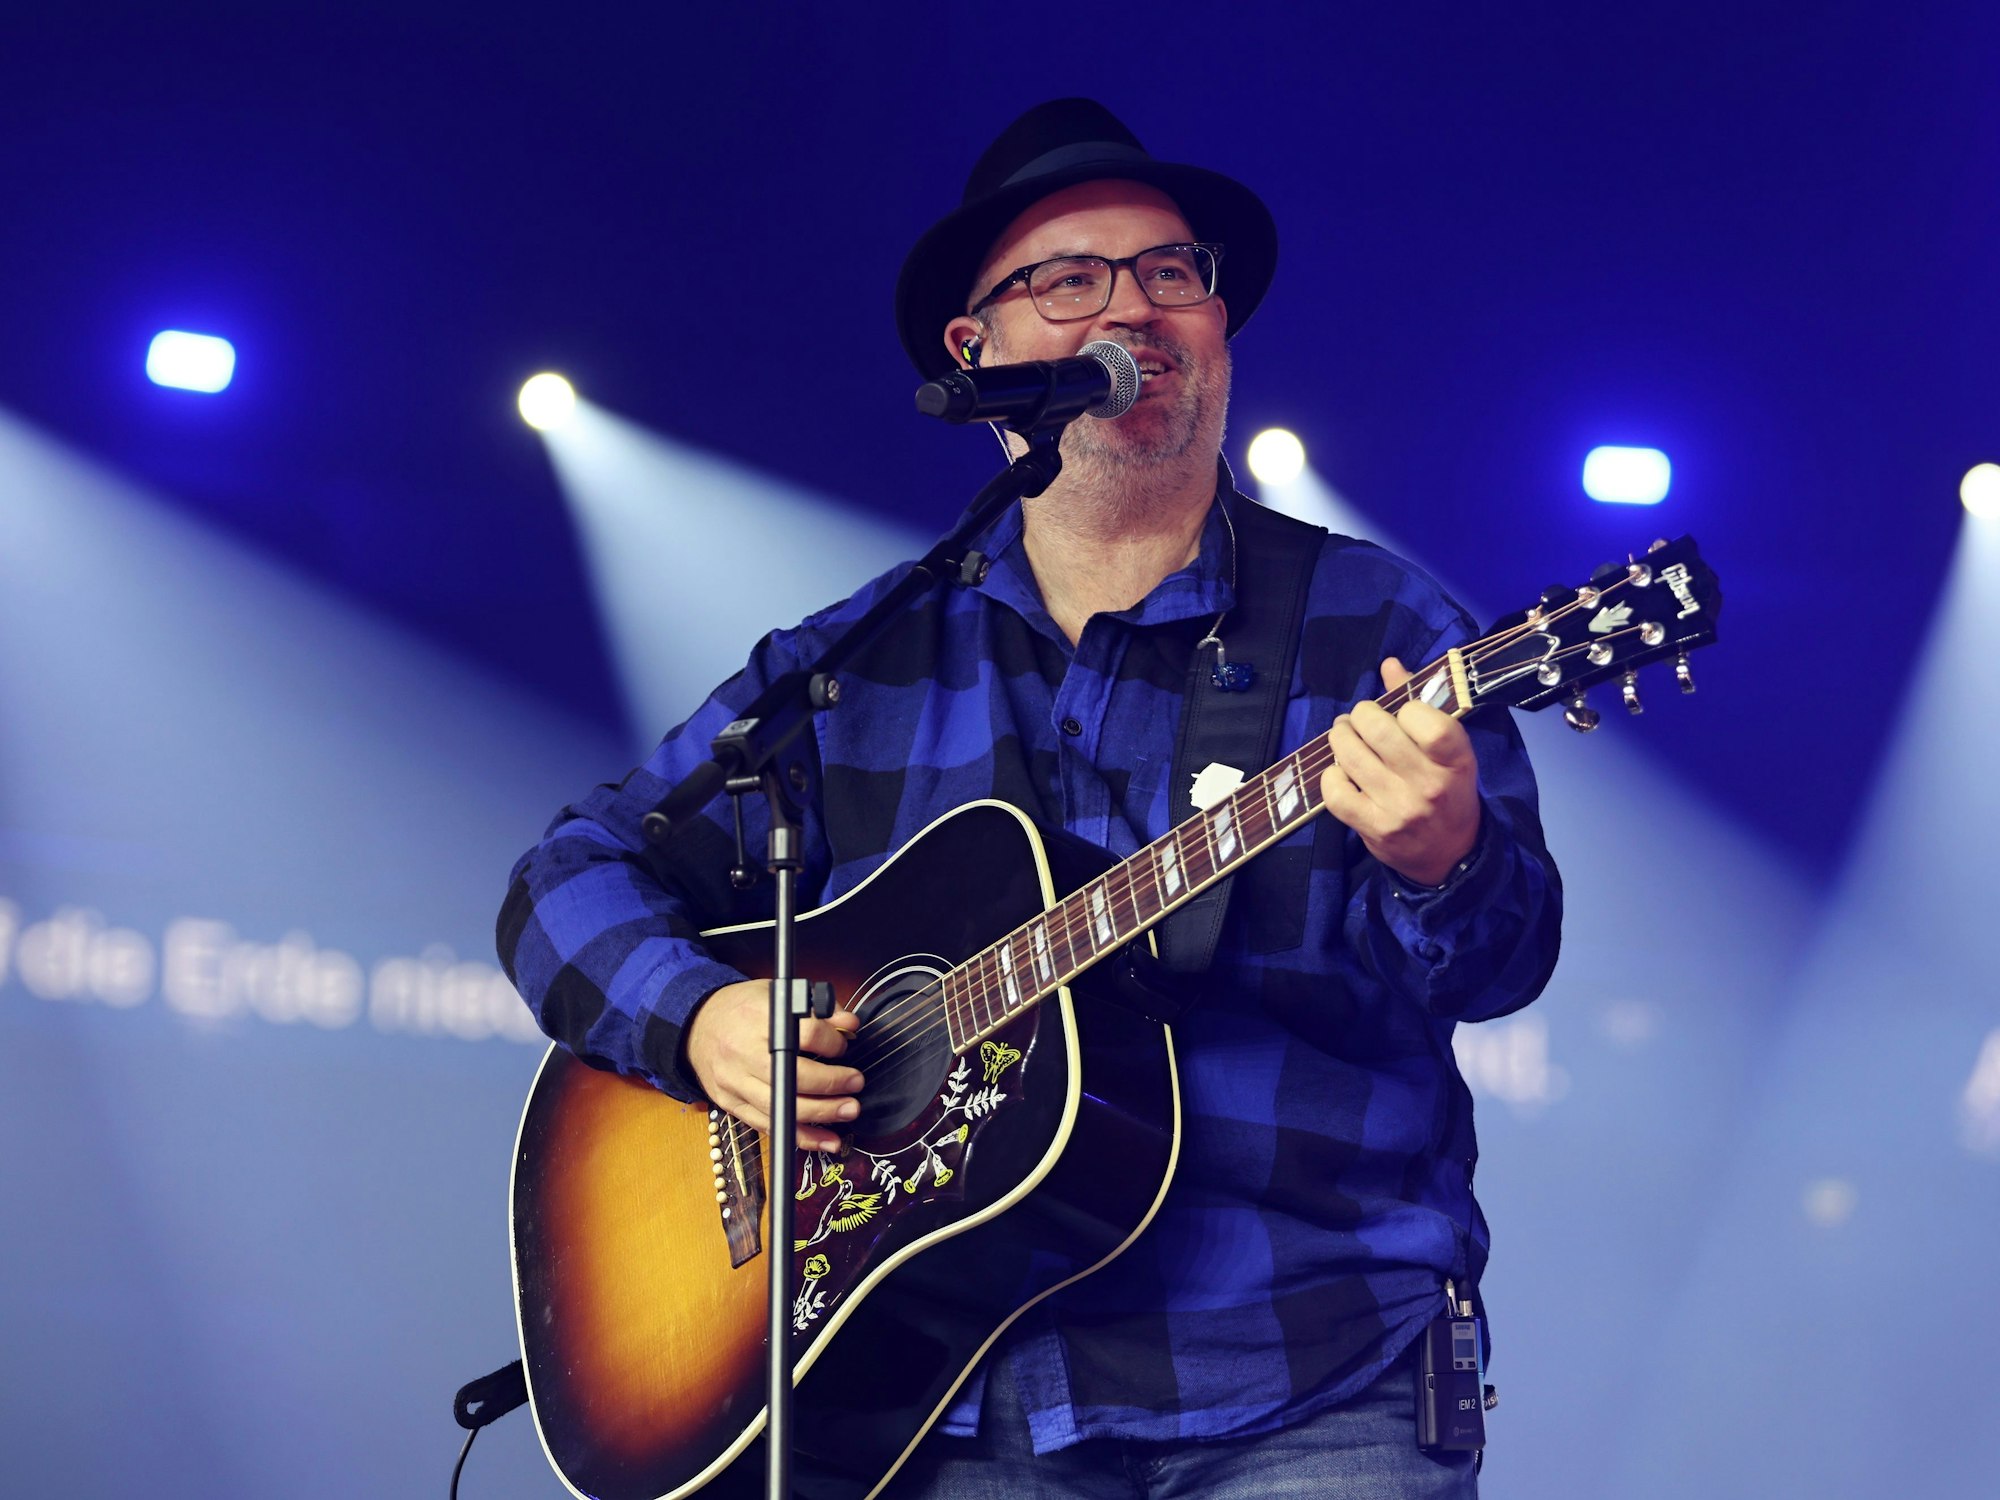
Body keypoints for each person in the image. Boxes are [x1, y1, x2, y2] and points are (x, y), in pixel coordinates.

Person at [498, 98, 1561, 1499]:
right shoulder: (857, 666)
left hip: (1310, 1375)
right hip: (952, 1393)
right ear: (976, 350)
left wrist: (1448, 855)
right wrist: (702, 1020)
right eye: (1073, 280)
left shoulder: (1375, 622)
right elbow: (566, 873)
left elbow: (1503, 958)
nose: (1139, 309)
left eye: (1174, 273)